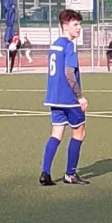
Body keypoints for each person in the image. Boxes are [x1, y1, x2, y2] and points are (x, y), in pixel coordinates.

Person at [40, 11, 90, 184]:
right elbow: (69, 73)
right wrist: (80, 97)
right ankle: (70, 174)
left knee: (56, 134)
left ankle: (45, 173)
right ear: (65, 26)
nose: (79, 28)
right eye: (75, 24)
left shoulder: (54, 45)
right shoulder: (69, 46)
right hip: (69, 99)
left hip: (54, 98)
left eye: (79, 24)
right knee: (79, 132)